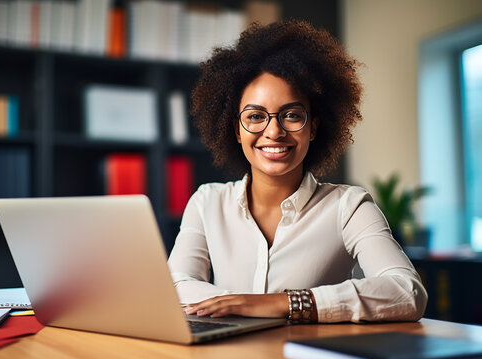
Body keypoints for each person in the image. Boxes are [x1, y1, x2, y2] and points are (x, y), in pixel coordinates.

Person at [167, 20, 428, 324]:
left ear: (313, 128)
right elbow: (174, 286)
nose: (274, 131)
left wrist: (286, 303)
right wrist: (243, 303)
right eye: (255, 116)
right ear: (237, 131)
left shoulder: (350, 207)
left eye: (292, 115)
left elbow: (407, 291)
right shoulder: (207, 202)